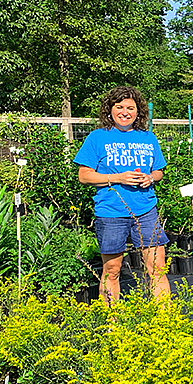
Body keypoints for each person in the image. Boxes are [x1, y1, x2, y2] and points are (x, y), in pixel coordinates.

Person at [74, 86, 171, 303]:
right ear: (110, 110)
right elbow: (84, 175)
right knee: (112, 269)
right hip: (111, 212)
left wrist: (151, 178)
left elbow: (159, 171)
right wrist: (118, 178)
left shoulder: (148, 138)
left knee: (157, 267)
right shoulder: (97, 138)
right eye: (119, 107)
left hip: (146, 210)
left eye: (130, 108)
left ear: (138, 112)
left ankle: (166, 321)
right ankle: (112, 323)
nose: (125, 112)